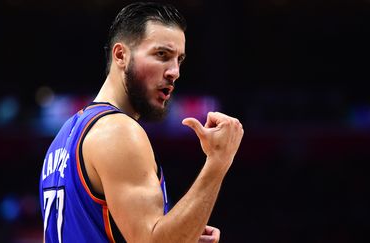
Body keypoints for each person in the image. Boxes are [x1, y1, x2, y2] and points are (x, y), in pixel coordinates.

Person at [39, 2, 244, 243]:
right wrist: (218, 163)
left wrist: (185, 233)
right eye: (162, 55)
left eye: (179, 59)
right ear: (121, 55)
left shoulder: (63, 139)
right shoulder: (118, 131)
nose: (174, 71)